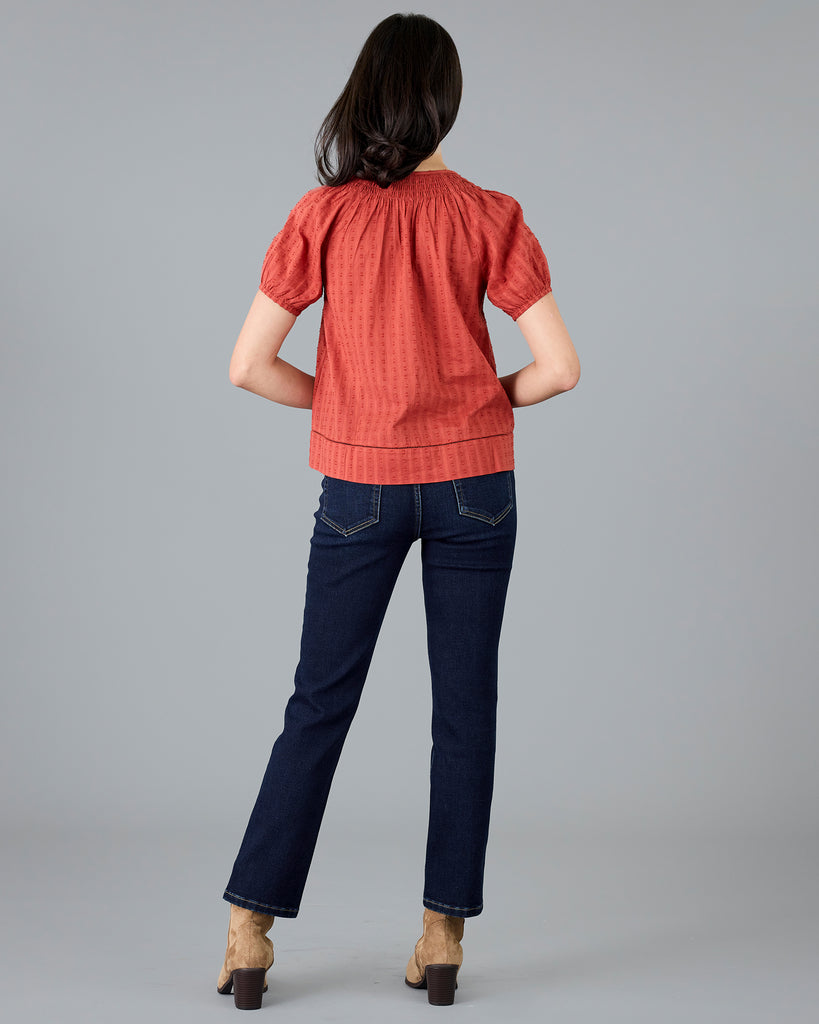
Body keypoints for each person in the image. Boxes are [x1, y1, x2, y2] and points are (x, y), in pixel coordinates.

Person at [216, 11, 580, 1010]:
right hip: (476, 487)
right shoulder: (490, 213)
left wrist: (346, 407)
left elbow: (247, 365)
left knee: (318, 702)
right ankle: (441, 937)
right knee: (465, 711)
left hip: (359, 486)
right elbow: (560, 368)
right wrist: (479, 402)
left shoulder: (320, 215)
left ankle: (250, 930)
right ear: (445, 98)